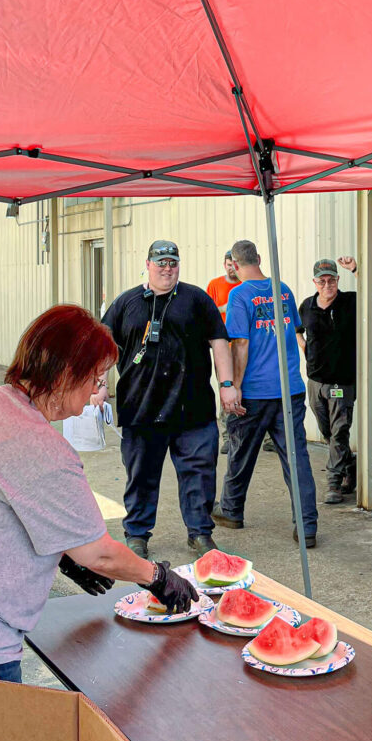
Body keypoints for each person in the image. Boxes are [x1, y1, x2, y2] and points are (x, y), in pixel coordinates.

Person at [0, 305, 198, 682]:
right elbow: (101, 554)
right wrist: (156, 576)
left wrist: (62, 555)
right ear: (64, 373)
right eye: (95, 377)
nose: (97, 390)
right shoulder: (37, 445)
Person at [101, 240, 242, 559]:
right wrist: (97, 384)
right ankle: (137, 533)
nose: (167, 268)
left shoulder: (197, 300)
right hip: (141, 409)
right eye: (161, 262)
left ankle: (200, 533)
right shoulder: (127, 303)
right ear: (148, 264)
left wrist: (227, 384)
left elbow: (219, 341)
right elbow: (103, 346)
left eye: (172, 263)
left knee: (200, 475)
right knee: (141, 476)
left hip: (192, 409)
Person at [214, 239, 319, 547]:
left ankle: (231, 509)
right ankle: (306, 526)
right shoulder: (283, 290)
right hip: (290, 389)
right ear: (258, 258)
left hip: (257, 392)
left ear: (234, 264)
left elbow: (241, 344)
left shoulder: (239, 295)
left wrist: (235, 385)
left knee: (240, 450)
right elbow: (294, 331)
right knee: (296, 457)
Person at [297, 255, 372, 504]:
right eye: (322, 281)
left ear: (338, 280)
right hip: (316, 382)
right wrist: (305, 348)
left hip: (342, 383)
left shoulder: (350, 301)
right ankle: (348, 465)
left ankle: (334, 482)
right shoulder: (306, 306)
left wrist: (356, 269)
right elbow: (297, 330)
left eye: (331, 280)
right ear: (314, 282)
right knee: (327, 432)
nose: (327, 285)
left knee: (340, 431)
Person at [206, 250, 243, 455]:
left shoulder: (245, 285)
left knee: (246, 389)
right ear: (224, 264)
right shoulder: (214, 285)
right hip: (224, 349)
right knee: (226, 389)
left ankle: (251, 435)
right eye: (229, 263)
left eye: (235, 264)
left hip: (244, 347)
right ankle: (228, 437)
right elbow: (208, 314)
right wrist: (225, 307)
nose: (232, 267)